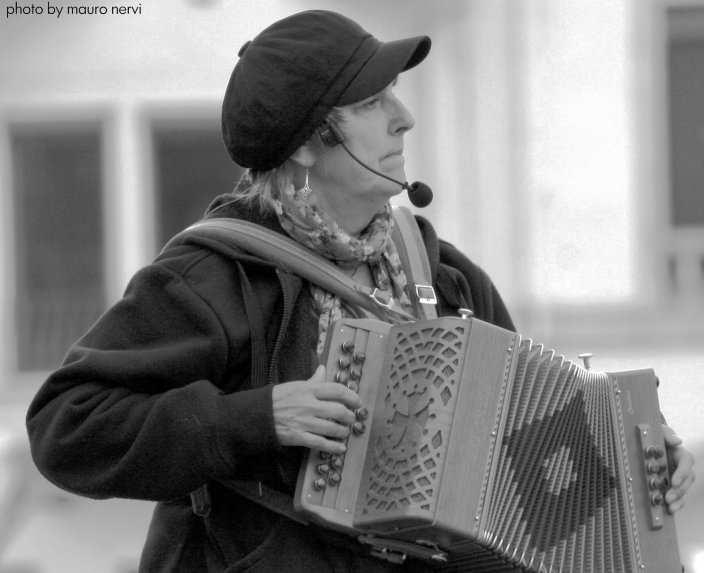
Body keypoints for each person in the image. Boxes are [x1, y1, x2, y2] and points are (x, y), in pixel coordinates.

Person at [26, 9, 694, 573]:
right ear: (310, 143)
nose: (403, 118)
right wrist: (255, 418)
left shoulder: (445, 276)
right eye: (373, 103)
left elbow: (523, 447)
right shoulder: (216, 276)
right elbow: (66, 424)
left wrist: (636, 464)